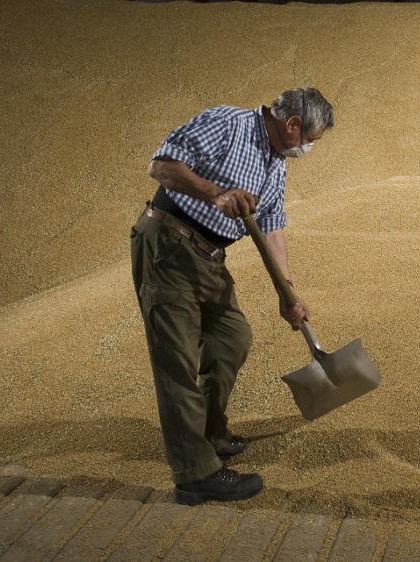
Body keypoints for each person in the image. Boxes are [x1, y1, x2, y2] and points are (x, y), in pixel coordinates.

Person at [130, 87, 334, 505]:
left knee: (232, 337)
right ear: (292, 124)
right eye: (311, 140)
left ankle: (207, 434)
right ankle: (194, 475)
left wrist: (287, 293)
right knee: (178, 360)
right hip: (169, 243)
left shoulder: (276, 165)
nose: (309, 149)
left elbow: (273, 225)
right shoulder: (229, 123)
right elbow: (161, 166)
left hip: (209, 257)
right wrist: (216, 193)